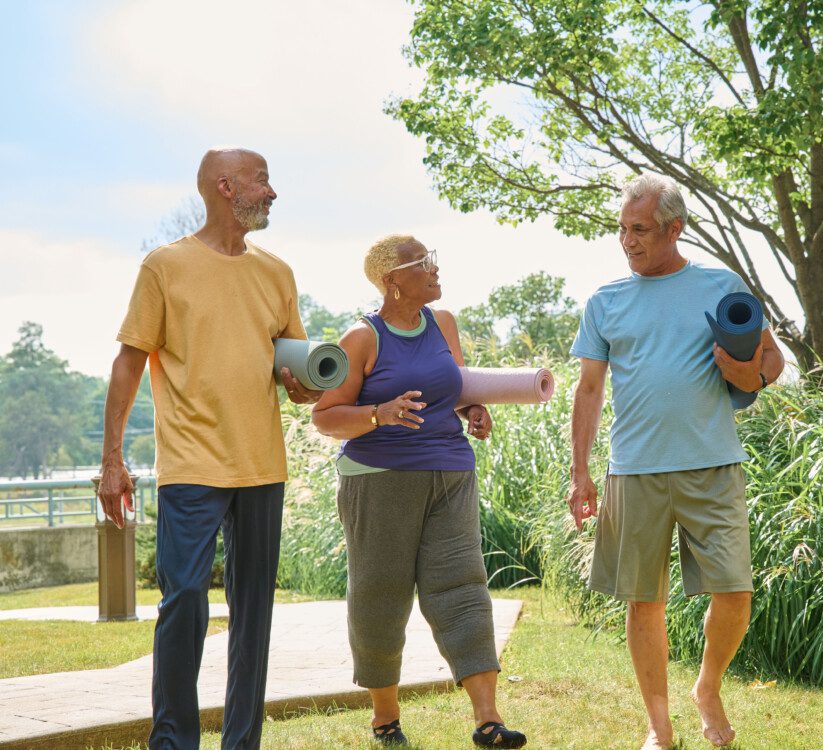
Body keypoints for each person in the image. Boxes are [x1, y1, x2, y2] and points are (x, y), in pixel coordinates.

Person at [98, 148, 322, 750]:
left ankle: (241, 741)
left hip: (261, 465)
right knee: (186, 597)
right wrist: (112, 460)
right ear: (226, 187)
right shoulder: (165, 267)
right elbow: (128, 360)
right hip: (192, 465)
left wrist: (302, 385)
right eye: (262, 181)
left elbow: (291, 369)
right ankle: (173, 740)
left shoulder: (277, 273)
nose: (272, 193)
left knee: (254, 615)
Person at [567, 174, 784, 749]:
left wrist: (749, 375)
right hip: (633, 469)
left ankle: (706, 688)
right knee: (645, 599)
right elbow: (588, 389)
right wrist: (580, 472)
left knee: (735, 590)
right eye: (621, 229)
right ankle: (659, 729)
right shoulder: (605, 301)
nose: (627, 240)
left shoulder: (720, 285)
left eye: (638, 229)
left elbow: (770, 360)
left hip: (713, 463)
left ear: (674, 229)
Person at [311, 235, 526, 748]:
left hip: (451, 472)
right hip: (379, 481)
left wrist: (470, 410)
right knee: (380, 595)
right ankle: (385, 718)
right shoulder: (362, 338)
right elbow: (324, 416)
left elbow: (451, 391)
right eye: (422, 262)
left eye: (432, 258)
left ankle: (488, 719)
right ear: (392, 281)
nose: (434, 267)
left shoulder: (443, 323)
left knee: (463, 585)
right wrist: (377, 414)